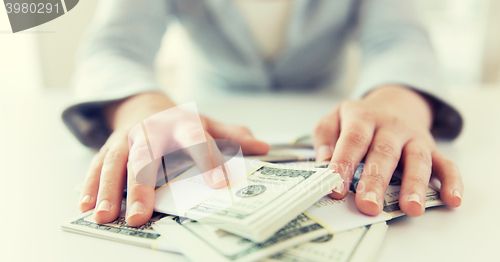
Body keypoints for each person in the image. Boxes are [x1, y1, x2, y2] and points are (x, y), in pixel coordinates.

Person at [63, 0, 464, 227]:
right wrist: (141, 106)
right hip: (205, 119)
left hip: (326, 117)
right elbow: (114, 47)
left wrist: (399, 101)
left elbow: (400, 38)